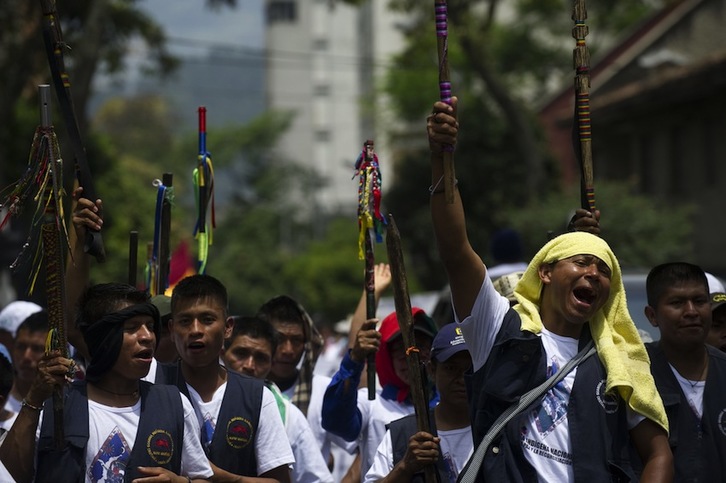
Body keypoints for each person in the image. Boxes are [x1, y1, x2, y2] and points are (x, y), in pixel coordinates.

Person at [428, 96, 672, 481]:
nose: (593, 274)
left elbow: (658, 455)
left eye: (603, 270)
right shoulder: (500, 331)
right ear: (544, 273)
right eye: (581, 262)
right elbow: (456, 251)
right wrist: (441, 160)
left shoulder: (618, 362)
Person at [0, 282, 213, 482]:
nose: (147, 337)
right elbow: (9, 474)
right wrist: (34, 399)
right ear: (102, 337)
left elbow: (202, 476)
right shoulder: (55, 404)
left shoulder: (174, 405)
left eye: (150, 326)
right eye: (132, 328)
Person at [162, 274, 294, 482]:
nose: (196, 330)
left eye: (207, 320)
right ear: (171, 329)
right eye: (185, 321)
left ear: (227, 327)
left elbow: (279, 480)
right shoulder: (152, 387)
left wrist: (222, 478)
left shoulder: (257, 398)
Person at [322, 308, 438, 479]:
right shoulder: (371, 403)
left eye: (420, 345)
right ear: (386, 356)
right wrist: (354, 360)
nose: (412, 356)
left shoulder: (448, 405)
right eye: (401, 348)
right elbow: (335, 422)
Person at [223, 315, 334, 483]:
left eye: (261, 358)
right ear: (223, 353)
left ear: (271, 362)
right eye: (241, 353)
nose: (249, 365)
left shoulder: (290, 417)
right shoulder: (194, 399)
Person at [643, 262, 726, 480]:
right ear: (652, 316)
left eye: (699, 301)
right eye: (677, 303)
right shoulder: (636, 372)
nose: (691, 311)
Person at [364, 323, 473, 482]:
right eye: (451, 368)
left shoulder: (498, 430)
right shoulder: (403, 434)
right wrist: (405, 467)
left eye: (470, 369)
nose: (461, 378)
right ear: (432, 370)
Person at [5, 311, 48, 414]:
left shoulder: (68, 404)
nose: (26, 356)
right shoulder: (2, 402)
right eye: (21, 347)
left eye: (37, 349)